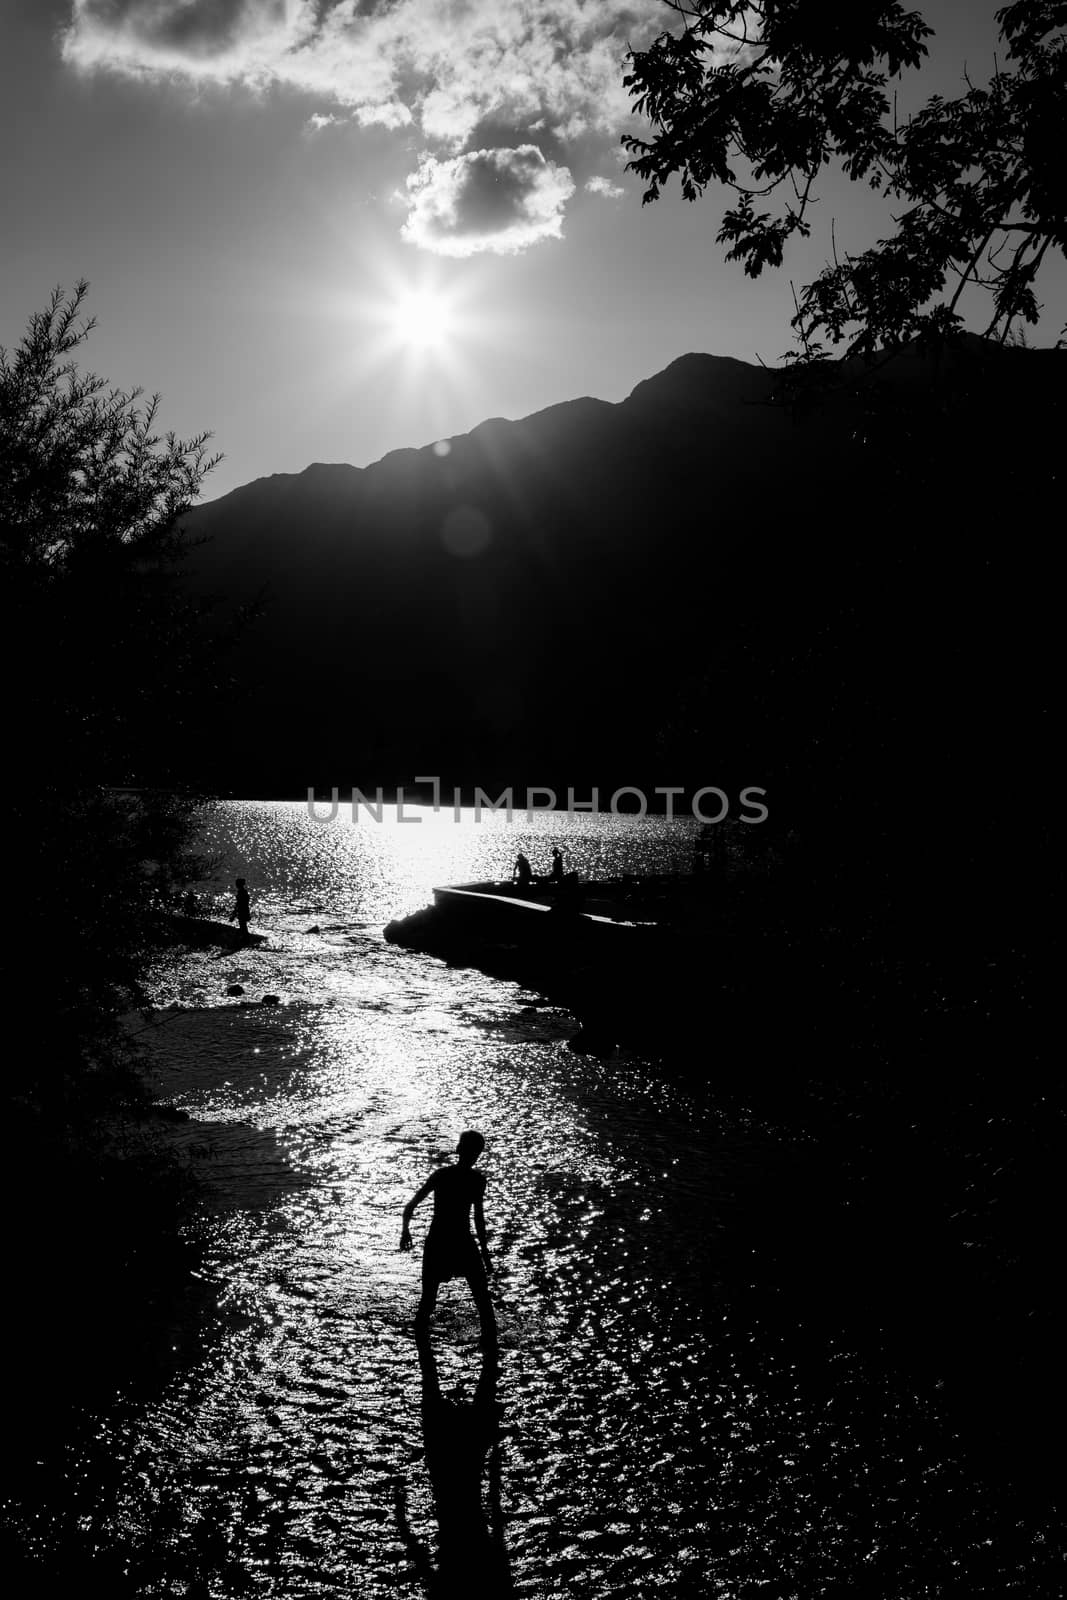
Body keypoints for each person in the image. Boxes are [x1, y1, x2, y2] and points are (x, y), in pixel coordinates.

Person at [400, 1131, 497, 1348]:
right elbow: (478, 1221)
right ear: (476, 1154)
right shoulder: (476, 1180)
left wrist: (405, 1231)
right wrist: (485, 1256)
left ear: (458, 1149)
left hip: (439, 1242)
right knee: (483, 1304)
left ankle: (421, 1348)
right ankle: (490, 1353)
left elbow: (410, 1207)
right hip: (462, 1242)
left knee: (427, 1304)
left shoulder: (442, 1175)